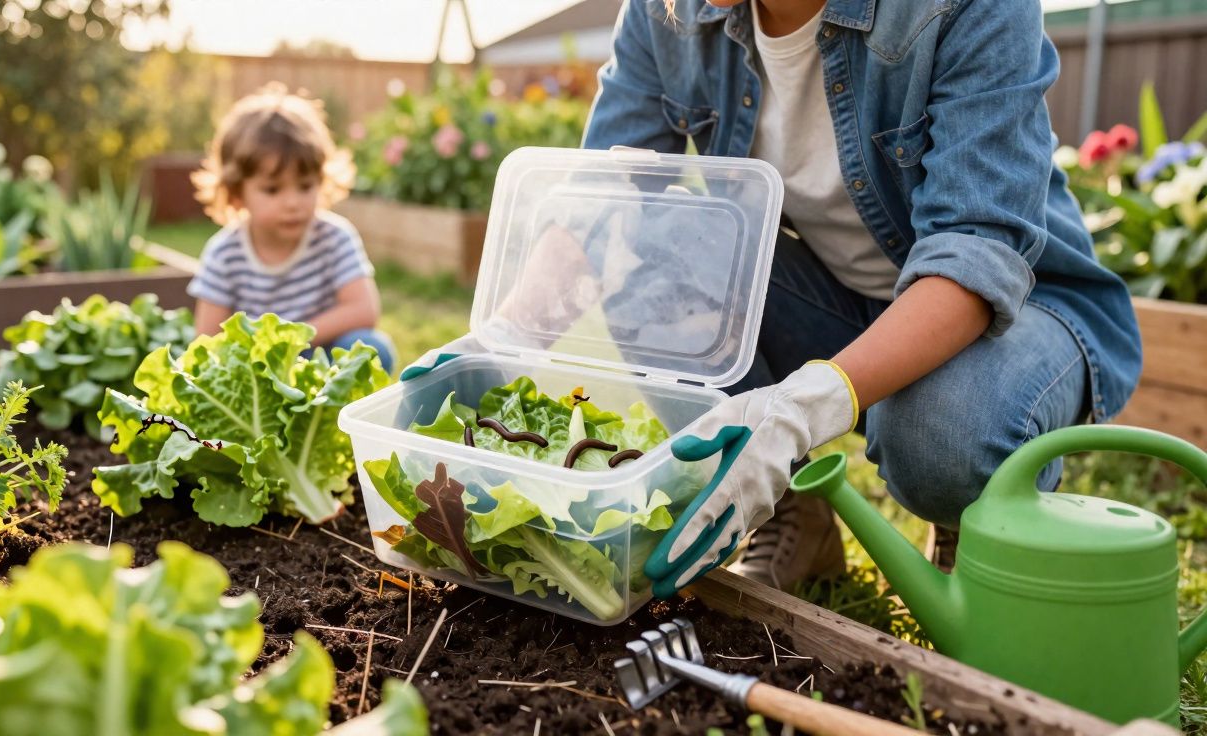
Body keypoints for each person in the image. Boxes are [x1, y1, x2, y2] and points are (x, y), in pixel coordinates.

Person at [408, 0, 1142, 599]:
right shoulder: (671, 11)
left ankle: (972, 513)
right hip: (833, 291)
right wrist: (504, 337)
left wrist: (799, 410)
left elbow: (979, 247)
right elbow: (608, 196)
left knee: (941, 433)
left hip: (1019, 311)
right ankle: (796, 517)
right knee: (659, 264)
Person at [188, 83, 396, 373]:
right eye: (273, 190)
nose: (293, 203)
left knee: (372, 348)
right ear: (237, 192)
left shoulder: (335, 237)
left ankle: (334, 418)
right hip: (257, 372)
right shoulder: (224, 254)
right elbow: (207, 342)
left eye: (305, 186)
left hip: (321, 366)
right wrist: (263, 356)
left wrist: (289, 340)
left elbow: (364, 310)